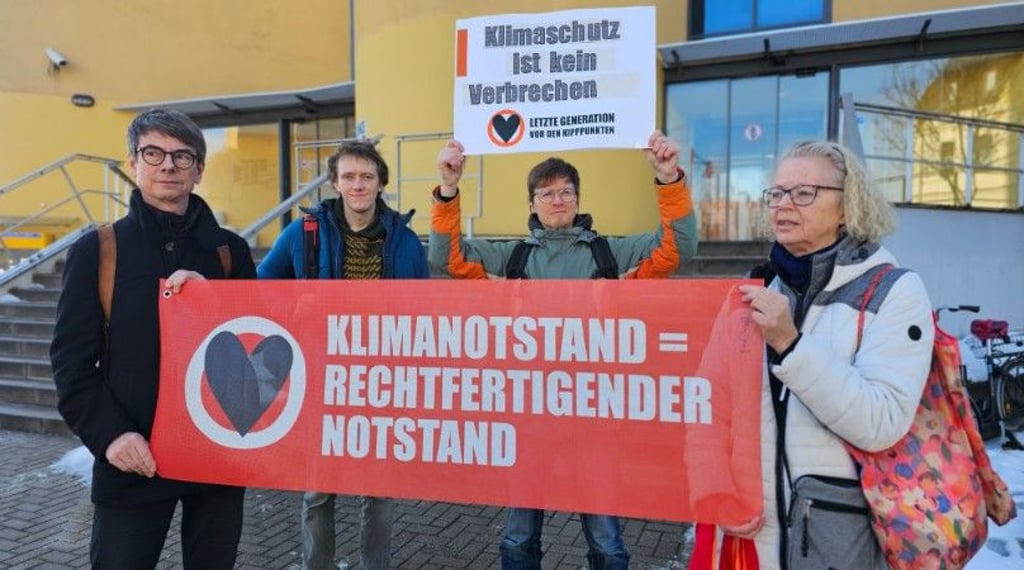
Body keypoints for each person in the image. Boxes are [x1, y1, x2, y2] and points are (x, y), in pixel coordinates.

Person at [430, 131, 698, 569]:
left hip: (594, 417)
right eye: (547, 193)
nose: (558, 200)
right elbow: (447, 257)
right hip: (528, 418)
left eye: (566, 192)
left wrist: (669, 180)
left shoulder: (613, 253)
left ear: (577, 199)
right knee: (518, 540)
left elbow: (679, 248)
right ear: (532, 203)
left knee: (606, 542)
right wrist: (448, 189)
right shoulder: (509, 258)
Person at [50, 108, 256, 568]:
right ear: (133, 163)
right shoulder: (99, 251)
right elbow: (71, 365)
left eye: (183, 156)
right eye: (154, 152)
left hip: (217, 454)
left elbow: (254, 348)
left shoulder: (229, 252)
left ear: (199, 170)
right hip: (133, 458)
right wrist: (111, 436)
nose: (168, 165)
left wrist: (214, 301)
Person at [727, 141, 935, 569]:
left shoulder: (895, 291)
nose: (784, 204)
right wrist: (717, 489)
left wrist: (791, 344)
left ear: (846, 206)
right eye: (777, 193)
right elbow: (716, 407)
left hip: (841, 536)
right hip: (758, 536)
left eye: (804, 193)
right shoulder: (762, 288)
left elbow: (880, 423)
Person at [257, 140, 429, 570]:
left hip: (382, 379)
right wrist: (295, 308)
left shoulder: (405, 241)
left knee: (380, 491)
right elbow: (261, 285)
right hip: (322, 376)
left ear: (381, 183)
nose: (358, 185)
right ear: (335, 183)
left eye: (367, 176)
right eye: (349, 176)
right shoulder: (303, 233)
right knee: (319, 491)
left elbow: (427, 305)